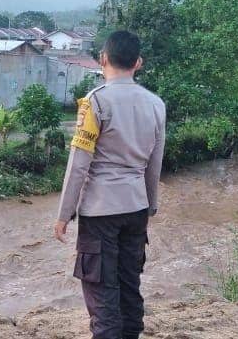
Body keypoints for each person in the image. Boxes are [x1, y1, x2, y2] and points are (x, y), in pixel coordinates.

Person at [53, 30, 166, 339]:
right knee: (130, 290)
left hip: (100, 212)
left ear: (103, 59)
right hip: (136, 208)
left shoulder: (94, 102)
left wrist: (64, 214)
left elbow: (78, 164)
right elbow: (155, 163)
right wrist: (150, 205)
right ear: (138, 63)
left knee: (103, 298)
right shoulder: (156, 104)